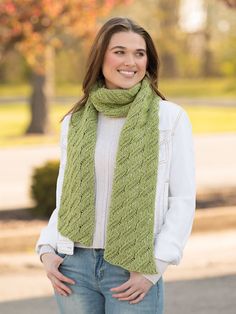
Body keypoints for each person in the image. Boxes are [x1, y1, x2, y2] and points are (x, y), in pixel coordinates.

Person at [36, 16, 195, 314]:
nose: (130, 62)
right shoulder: (76, 121)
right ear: (101, 57)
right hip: (74, 267)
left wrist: (154, 267)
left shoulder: (169, 119)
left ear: (148, 61)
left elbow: (182, 200)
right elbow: (65, 195)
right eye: (119, 51)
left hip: (133, 267)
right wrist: (46, 249)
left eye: (139, 53)